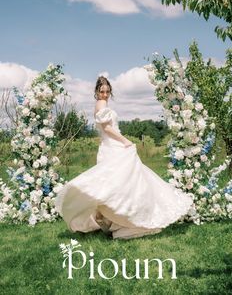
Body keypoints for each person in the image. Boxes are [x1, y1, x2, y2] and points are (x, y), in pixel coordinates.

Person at [55, 76, 193, 239]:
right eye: (102, 91)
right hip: (112, 146)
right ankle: (123, 219)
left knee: (122, 184)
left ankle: (117, 219)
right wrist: (125, 141)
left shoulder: (102, 104)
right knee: (121, 184)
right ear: (97, 92)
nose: (105, 94)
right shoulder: (101, 104)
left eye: (107, 91)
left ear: (110, 91)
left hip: (110, 146)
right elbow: (107, 128)